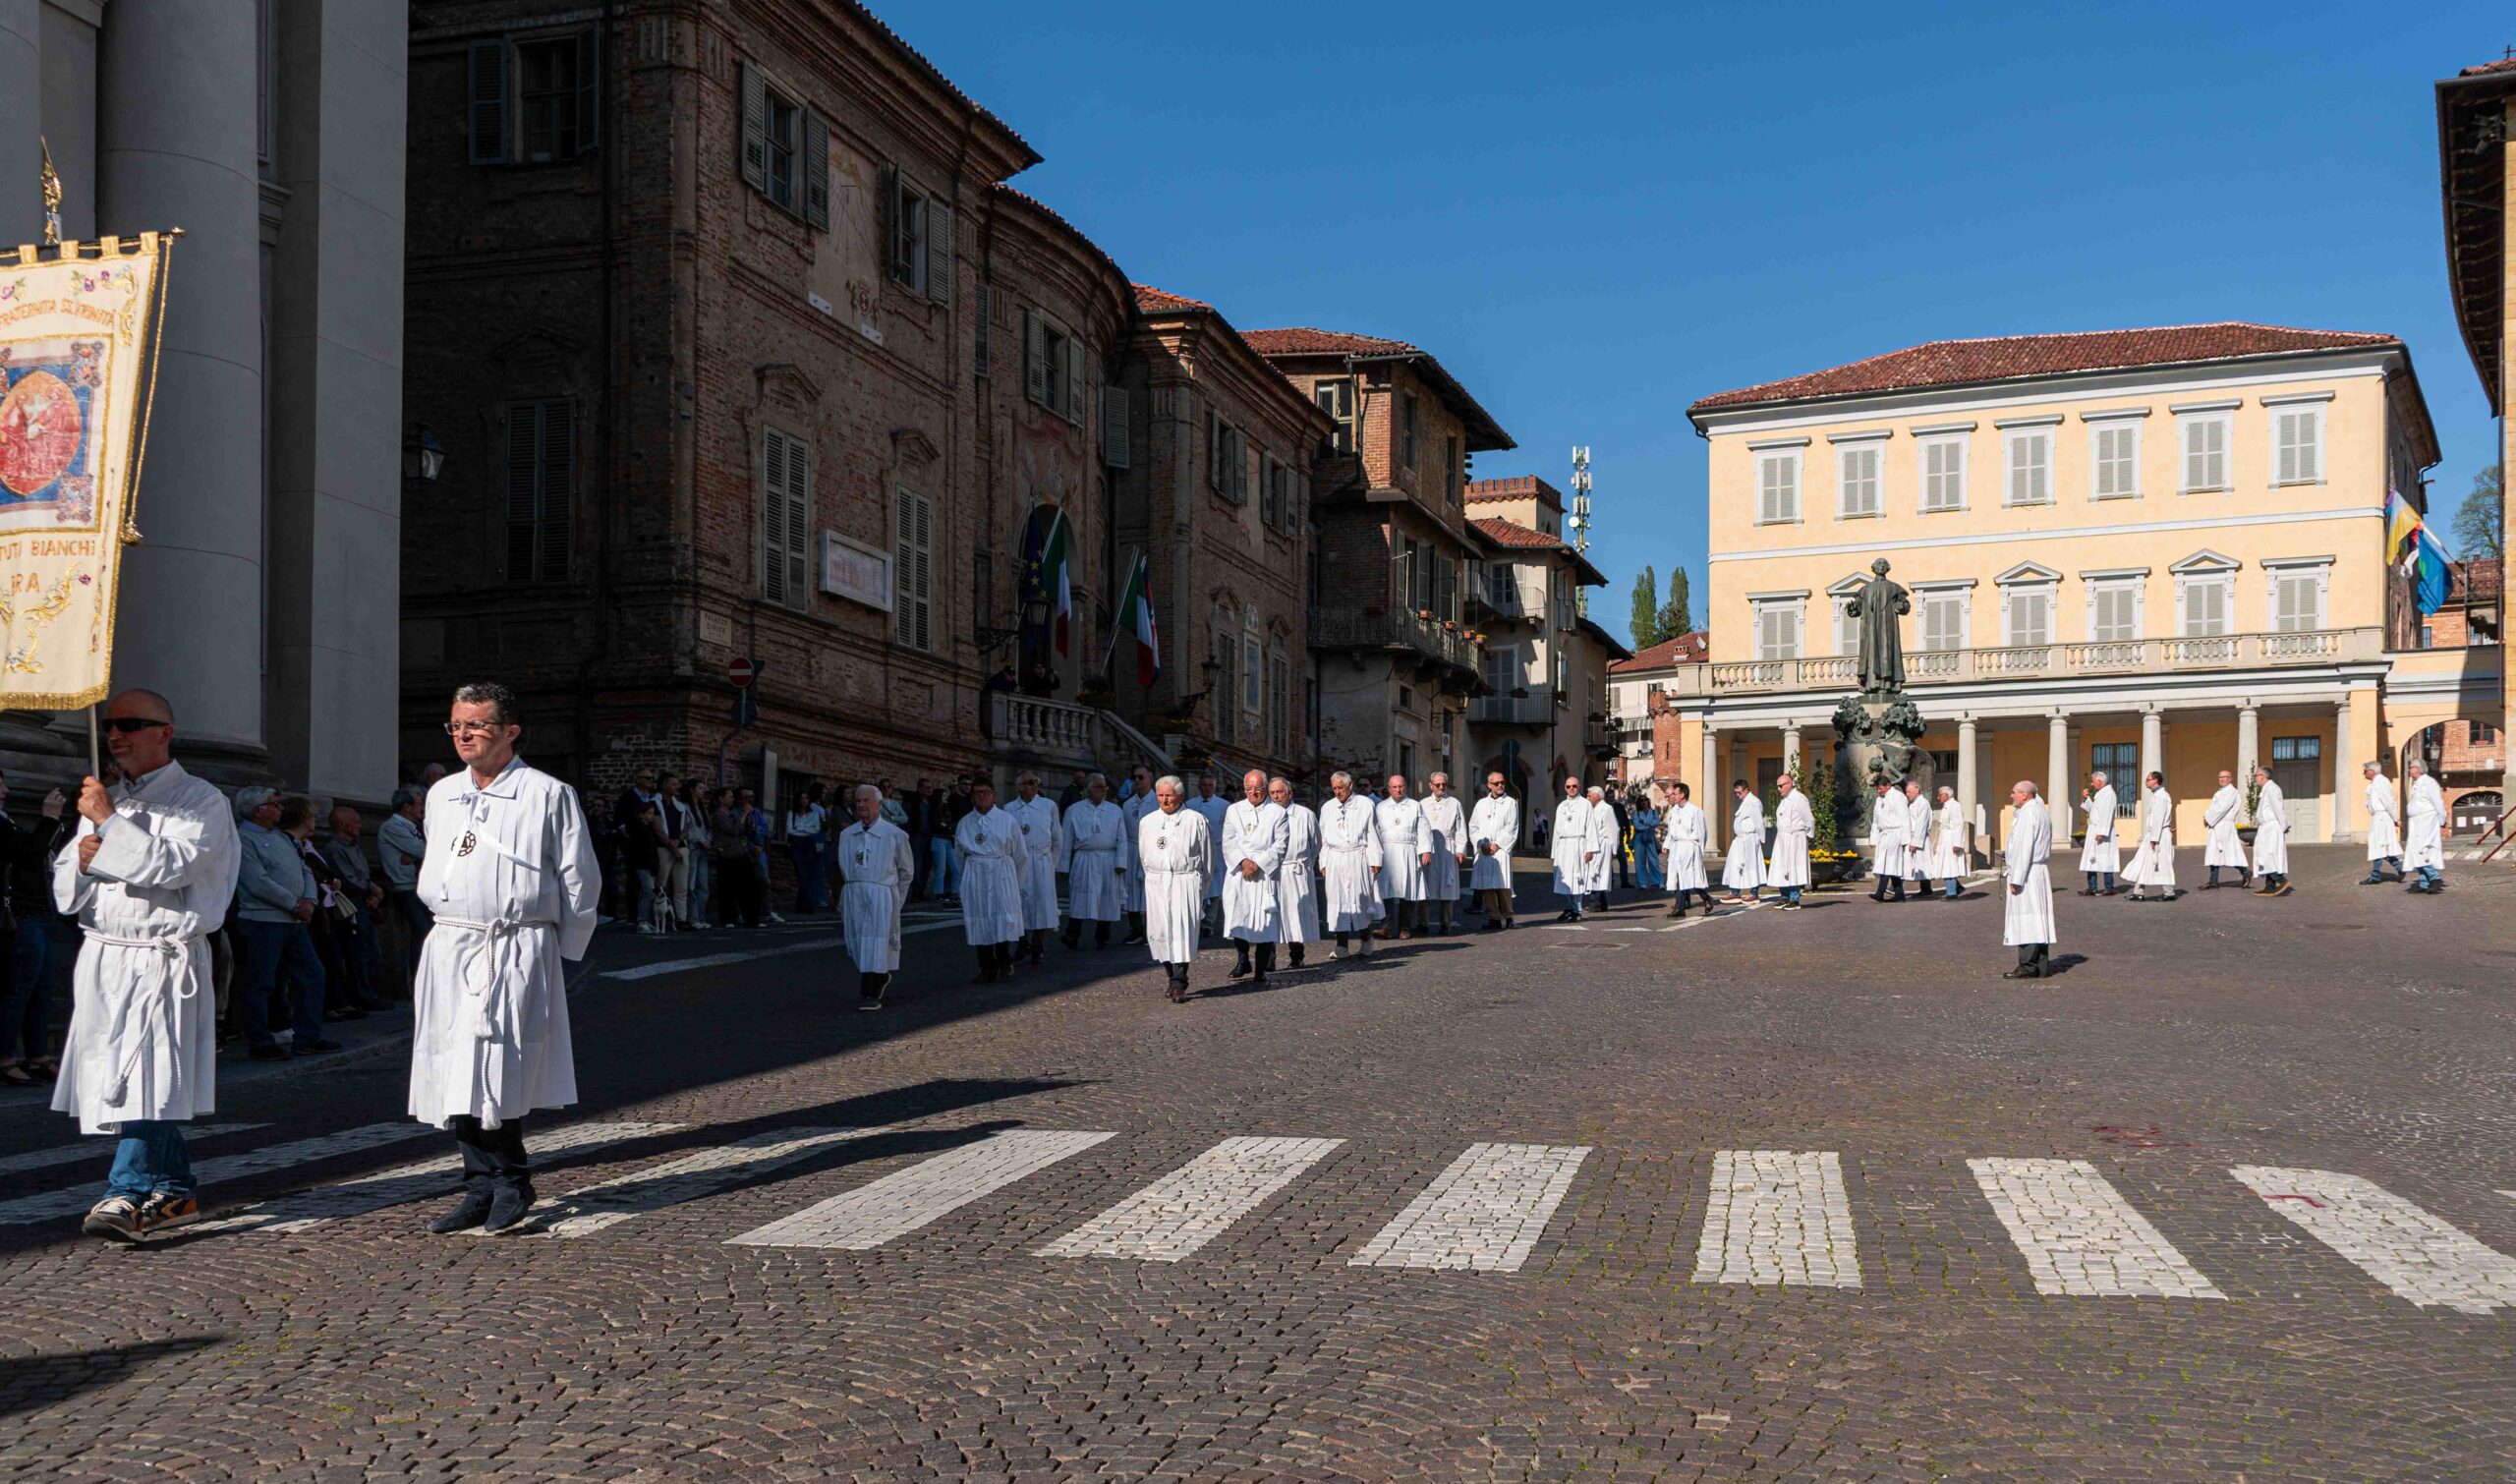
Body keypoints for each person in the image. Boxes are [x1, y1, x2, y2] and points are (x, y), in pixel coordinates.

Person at [410, 681, 601, 1235]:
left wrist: (561, 951)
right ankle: (475, 1184)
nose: (463, 735)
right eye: (455, 726)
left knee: (498, 1061)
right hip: (451, 944)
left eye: (476, 725)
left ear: (510, 731)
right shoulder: (444, 794)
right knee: (452, 1065)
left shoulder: (548, 794)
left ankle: (512, 1179)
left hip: (514, 945)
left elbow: (579, 877)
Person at [51, 689, 242, 1241]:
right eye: (111, 726)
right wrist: (85, 865)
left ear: (165, 732)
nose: (116, 735)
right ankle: (175, 1190)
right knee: (126, 1075)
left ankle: (126, 1189)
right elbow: (67, 891)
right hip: (107, 956)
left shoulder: (200, 799)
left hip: (162, 958)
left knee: (143, 1073)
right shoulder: (105, 799)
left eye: (131, 724)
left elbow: (174, 867)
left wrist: (109, 825)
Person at [233, 784, 335, 1060]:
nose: (280, 808)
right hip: (262, 921)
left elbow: (304, 869)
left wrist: (310, 900)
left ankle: (308, 1036)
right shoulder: (243, 840)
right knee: (261, 983)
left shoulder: (283, 838)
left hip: (293, 922)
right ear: (258, 810)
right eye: (274, 804)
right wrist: (294, 903)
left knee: (312, 974)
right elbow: (257, 882)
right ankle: (260, 1041)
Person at [0, 773, 68, 1087]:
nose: (5, 790)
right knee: (19, 989)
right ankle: (5, 1057)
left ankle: (37, 1055)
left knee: (42, 986)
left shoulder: (6, 819)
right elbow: (29, 852)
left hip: (39, 911)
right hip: (21, 913)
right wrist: (50, 819)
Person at [835, 784, 914, 1010]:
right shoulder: (847, 835)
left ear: (879, 805)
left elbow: (906, 871)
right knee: (858, 942)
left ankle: (870, 993)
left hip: (881, 893)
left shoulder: (895, 835)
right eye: (858, 801)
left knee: (876, 942)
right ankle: (879, 977)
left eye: (866, 801)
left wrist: (895, 899)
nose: (861, 805)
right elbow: (843, 864)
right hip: (854, 892)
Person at [1137, 775, 1213, 1002]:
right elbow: (1143, 855)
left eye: (1168, 795)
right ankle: (1171, 976)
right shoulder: (1147, 822)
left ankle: (1180, 981)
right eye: (1160, 795)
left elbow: (1208, 860)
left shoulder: (1196, 820)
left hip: (1184, 880)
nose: (1164, 800)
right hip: (1157, 882)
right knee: (1160, 932)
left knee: (1182, 931)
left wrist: (1201, 889)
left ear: (1179, 795)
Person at [953, 778, 1026, 983]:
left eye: (985, 792)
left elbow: (1020, 854)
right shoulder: (965, 823)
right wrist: (968, 876)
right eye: (977, 793)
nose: (981, 796)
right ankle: (986, 966)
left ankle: (1005, 959)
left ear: (994, 795)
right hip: (976, 874)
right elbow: (959, 854)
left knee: (1002, 918)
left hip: (1001, 873)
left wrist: (1014, 882)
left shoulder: (1007, 820)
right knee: (980, 919)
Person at [1220, 770, 1286, 982]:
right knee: (1238, 914)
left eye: (1257, 788)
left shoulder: (1278, 812)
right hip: (1240, 871)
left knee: (1264, 921)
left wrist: (1258, 863)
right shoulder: (1234, 810)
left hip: (1264, 874)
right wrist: (1243, 861)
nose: (1253, 792)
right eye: (1248, 788)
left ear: (1265, 788)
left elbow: (1280, 844)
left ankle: (1261, 968)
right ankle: (1242, 960)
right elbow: (1228, 840)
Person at [1058, 772, 1128, 949]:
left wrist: (1121, 862)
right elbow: (1066, 840)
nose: (1101, 790)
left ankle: (1102, 936)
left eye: (1103, 787)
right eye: (1097, 787)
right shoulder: (1074, 810)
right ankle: (1072, 934)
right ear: (1088, 789)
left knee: (1107, 898)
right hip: (1084, 858)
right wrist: (1064, 865)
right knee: (1080, 897)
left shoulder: (1115, 810)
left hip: (1108, 859)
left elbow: (1122, 838)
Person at [1318, 771, 1382, 958]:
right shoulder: (1327, 808)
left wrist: (1375, 858)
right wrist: (1323, 861)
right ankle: (1341, 945)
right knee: (1338, 902)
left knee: (1362, 900)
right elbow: (1323, 838)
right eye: (1335, 789)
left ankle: (1366, 940)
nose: (1338, 792)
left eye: (1341, 788)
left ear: (1350, 786)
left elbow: (1373, 832)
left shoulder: (1365, 804)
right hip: (1335, 857)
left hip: (1358, 856)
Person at [1002, 772, 1062, 964]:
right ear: (1019, 786)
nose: (1034, 786)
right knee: (1018, 901)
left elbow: (1057, 837)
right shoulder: (1010, 808)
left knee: (1042, 903)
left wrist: (1051, 861)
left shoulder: (1048, 806)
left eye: (1036, 782)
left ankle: (1038, 945)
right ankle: (1022, 940)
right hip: (1020, 860)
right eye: (1029, 783)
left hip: (1041, 859)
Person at [2001, 780, 2057, 981]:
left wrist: (2017, 878)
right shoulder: (2041, 811)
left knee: (2027, 919)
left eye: (2014, 792)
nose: (2012, 796)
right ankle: (2041, 965)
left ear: (2025, 795)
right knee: (2038, 918)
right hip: (2037, 871)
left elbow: (2025, 847)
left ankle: (2027, 965)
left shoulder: (2027, 813)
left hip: (2028, 872)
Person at [377, 786, 430, 988]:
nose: (422, 808)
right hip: (404, 886)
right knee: (421, 929)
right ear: (407, 806)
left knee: (427, 929)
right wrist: (419, 854)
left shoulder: (415, 826)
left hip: (418, 884)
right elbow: (424, 849)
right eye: (418, 804)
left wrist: (416, 855)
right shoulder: (393, 827)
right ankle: (416, 978)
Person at [1269, 776, 1322, 965]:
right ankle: (1269, 957)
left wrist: (1305, 863)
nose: (1275, 797)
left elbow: (1315, 844)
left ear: (1289, 793)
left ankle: (1297, 955)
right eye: (1272, 793)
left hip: (1296, 869)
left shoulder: (1305, 815)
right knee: (1272, 913)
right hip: (1273, 870)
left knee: (1296, 913)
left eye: (1279, 792)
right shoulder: (1265, 814)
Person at [1373, 773, 1432, 940]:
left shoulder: (1415, 806)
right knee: (1386, 891)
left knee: (1409, 890)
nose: (1398, 790)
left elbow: (1423, 829)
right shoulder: (1381, 807)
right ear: (1389, 789)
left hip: (1408, 850)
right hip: (1387, 852)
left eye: (1401, 786)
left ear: (1406, 787)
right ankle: (1386, 927)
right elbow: (1374, 831)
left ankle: (1405, 927)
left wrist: (1425, 850)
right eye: (1394, 787)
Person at [1467, 771, 1519, 930]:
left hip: (1500, 850)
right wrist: (1481, 843)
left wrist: (1497, 844)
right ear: (1489, 785)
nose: (1500, 786)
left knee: (1503, 885)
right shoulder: (1481, 804)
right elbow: (1473, 826)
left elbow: (1512, 827)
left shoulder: (1510, 803)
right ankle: (1494, 917)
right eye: (1496, 783)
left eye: (1502, 782)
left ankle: (1509, 916)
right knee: (1487, 885)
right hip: (1484, 850)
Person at [1419, 772, 1468, 935]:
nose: (1441, 787)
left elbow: (1461, 829)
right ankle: (1423, 922)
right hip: (1429, 847)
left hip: (1448, 847)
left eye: (1444, 785)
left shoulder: (1454, 803)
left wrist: (1460, 850)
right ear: (1430, 785)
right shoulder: (1422, 804)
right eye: (1438, 784)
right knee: (1425, 885)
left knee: (1447, 885)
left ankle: (1446, 923)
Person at [1118, 764, 1159, 943]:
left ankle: (1153, 930)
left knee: (1151, 892)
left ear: (1150, 778)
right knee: (1131, 891)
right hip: (1133, 850)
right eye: (1134, 777)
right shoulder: (1128, 804)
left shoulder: (1158, 802)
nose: (1137, 780)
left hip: (1152, 850)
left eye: (1141, 777)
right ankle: (1136, 929)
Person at [1188, 772, 1230, 937]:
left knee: (1215, 885)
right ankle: (1196, 919)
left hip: (1216, 849)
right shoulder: (1190, 804)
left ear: (1214, 787)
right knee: (1195, 883)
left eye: (1210, 785)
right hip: (1195, 850)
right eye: (1204, 785)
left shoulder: (1224, 805)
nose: (1207, 788)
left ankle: (1209, 922)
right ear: (1199, 786)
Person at [1661, 781, 1711, 917]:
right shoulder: (1674, 810)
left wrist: (1700, 851)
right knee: (1677, 877)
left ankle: (1706, 898)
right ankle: (1680, 907)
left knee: (1690, 877)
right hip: (1677, 846)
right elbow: (1672, 830)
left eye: (1675, 794)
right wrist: (1667, 845)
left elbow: (1701, 833)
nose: (1673, 797)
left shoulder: (1695, 811)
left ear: (1682, 795)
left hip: (1690, 846)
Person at [2124, 771, 2176, 902]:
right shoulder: (2157, 796)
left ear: (2156, 781)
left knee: (2162, 862)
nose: (2146, 781)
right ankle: (2138, 892)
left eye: (2148, 779)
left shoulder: (2161, 796)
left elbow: (2159, 818)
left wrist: (2154, 839)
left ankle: (2169, 893)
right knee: (2144, 861)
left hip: (2158, 837)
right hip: (2154, 835)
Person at [1550, 777, 1596, 922]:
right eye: (1568, 786)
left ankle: (1577, 910)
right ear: (1565, 788)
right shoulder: (1561, 806)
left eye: (1574, 786)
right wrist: (1554, 852)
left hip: (1578, 845)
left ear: (1579, 786)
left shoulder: (1585, 805)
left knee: (1577, 879)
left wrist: (1590, 849)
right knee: (1564, 880)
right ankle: (1569, 907)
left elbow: (1590, 827)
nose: (1571, 789)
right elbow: (1557, 829)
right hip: (1563, 846)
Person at [1768, 772, 1814, 910]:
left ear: (1790, 784)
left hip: (1794, 839)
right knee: (1781, 867)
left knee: (1793, 868)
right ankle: (1785, 896)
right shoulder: (1784, 800)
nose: (1779, 789)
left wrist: (1804, 835)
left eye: (1781, 786)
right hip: (1782, 838)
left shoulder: (1800, 799)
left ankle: (1794, 899)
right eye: (1777, 786)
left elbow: (1809, 819)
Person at [2403, 758, 2448, 895]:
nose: (2409, 769)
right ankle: (2424, 882)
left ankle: (2435, 878)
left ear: (2418, 769)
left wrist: (2442, 819)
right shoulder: (2416, 784)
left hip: (2426, 820)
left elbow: (2437, 802)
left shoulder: (2429, 782)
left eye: (2411, 767)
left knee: (2421, 849)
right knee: (2415, 849)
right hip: (2416, 821)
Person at [621, 798, 665, 934]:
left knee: (645, 891)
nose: (652, 816)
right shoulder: (640, 829)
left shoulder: (645, 828)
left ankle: (643, 919)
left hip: (645, 863)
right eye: (649, 813)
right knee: (649, 891)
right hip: (643, 864)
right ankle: (642, 920)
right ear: (641, 814)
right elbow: (644, 849)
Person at [655, 773, 692, 930]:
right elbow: (658, 828)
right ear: (663, 785)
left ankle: (681, 919)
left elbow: (685, 827)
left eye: (677, 784)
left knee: (681, 885)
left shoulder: (680, 805)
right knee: (661, 884)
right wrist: (671, 845)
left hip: (680, 846)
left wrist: (677, 842)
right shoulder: (654, 803)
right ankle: (658, 918)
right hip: (663, 847)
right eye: (672, 784)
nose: (676, 787)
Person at [2249, 766, 2292, 897]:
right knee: (2265, 854)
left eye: (2256, 776)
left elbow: (2278, 808)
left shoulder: (2272, 789)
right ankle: (2269, 886)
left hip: (2272, 828)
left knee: (2268, 855)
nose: (2255, 779)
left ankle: (2281, 880)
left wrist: (2284, 825)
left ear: (2262, 776)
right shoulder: (2266, 790)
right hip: (2266, 828)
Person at [2201, 770, 2249, 889]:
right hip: (2216, 825)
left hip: (2225, 826)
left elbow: (2222, 808)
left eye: (2225, 777)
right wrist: (2207, 816)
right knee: (2213, 853)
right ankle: (2213, 881)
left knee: (2230, 852)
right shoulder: (2220, 792)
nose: (2222, 779)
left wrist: (2208, 818)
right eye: (2220, 777)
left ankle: (2246, 872)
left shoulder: (2232, 792)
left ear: (2230, 778)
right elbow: (2213, 807)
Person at [786, 782, 829, 915]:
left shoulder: (813, 814)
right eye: (801, 798)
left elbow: (816, 829)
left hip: (809, 844)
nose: (804, 801)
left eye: (806, 798)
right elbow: (790, 830)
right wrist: (805, 830)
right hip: (797, 844)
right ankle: (804, 903)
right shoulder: (792, 814)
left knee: (810, 874)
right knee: (802, 874)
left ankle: (806, 904)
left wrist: (801, 829)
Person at [1721, 780, 1765, 903]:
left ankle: (1754, 893)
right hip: (1740, 839)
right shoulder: (1745, 803)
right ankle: (1735, 892)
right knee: (1734, 864)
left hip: (1749, 838)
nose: (1737, 795)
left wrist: (1761, 839)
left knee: (1751, 865)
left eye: (1739, 792)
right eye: (1735, 793)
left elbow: (1759, 822)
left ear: (1746, 790)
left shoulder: (1754, 802)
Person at [2077, 771, 2120, 897]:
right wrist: (2086, 798)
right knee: (2092, 858)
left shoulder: (2108, 794)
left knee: (2105, 859)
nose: (2091, 783)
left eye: (2093, 781)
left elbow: (2106, 814)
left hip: (2101, 831)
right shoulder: (2100, 794)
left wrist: (2102, 832)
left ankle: (2109, 887)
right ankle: (2092, 887)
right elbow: (2093, 811)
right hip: (2094, 829)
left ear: (2100, 781)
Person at [2362, 761, 2405, 885]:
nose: (2364, 773)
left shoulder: (2381, 782)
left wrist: (2395, 818)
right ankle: (2400, 868)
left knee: (2379, 846)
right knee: (2381, 847)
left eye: (2365, 770)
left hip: (2382, 817)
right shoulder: (2374, 784)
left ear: (2371, 771)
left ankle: (2375, 876)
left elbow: (2388, 801)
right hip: (2378, 818)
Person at [1866, 780, 1907, 902]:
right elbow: (1875, 821)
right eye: (1877, 789)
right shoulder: (1880, 800)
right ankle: (1899, 894)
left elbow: (1905, 818)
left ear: (1888, 785)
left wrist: (1905, 839)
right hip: (1884, 834)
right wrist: (1873, 839)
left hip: (1895, 833)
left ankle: (1880, 892)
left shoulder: (1898, 797)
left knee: (1887, 863)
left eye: (1881, 788)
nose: (1879, 791)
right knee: (1889, 864)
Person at [1581, 785, 1619, 912]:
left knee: (1597, 874)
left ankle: (1595, 903)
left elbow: (1613, 829)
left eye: (1589, 795)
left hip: (1602, 846)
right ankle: (1602, 903)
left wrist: (1614, 848)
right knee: (1596, 873)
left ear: (1597, 796)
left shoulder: (1606, 809)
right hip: (1595, 845)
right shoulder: (1593, 809)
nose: (1588, 798)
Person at [1927, 784, 1968, 899]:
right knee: (1945, 865)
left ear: (1946, 795)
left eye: (1940, 795)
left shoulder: (1954, 806)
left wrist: (1957, 843)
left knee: (1950, 865)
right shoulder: (1947, 806)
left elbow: (1958, 825)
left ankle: (1951, 893)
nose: (1938, 798)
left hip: (1951, 839)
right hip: (1945, 838)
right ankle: (1956, 887)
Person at [1901, 778, 1933, 897]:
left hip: (1919, 838)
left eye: (1909, 791)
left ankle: (1926, 889)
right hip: (1912, 836)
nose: (1907, 794)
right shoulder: (1914, 803)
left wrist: (1915, 842)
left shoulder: (1923, 803)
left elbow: (1921, 824)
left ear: (1917, 790)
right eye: (1906, 792)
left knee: (1922, 864)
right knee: (1914, 863)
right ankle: (1925, 889)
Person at [1630, 792, 1664, 892]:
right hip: (1639, 837)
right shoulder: (1636, 813)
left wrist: (1644, 823)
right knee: (1640, 861)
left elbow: (1656, 823)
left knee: (1653, 860)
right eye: (1641, 801)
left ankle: (1657, 881)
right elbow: (1637, 825)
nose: (1644, 802)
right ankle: (1642, 882)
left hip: (1650, 837)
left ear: (1648, 802)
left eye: (1645, 800)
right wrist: (1649, 825)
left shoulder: (1653, 812)